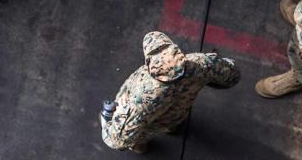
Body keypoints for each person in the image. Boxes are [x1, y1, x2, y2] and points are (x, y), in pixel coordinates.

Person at [100, 31, 239, 152]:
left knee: (137, 140)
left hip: (149, 124)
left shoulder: (143, 98)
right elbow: (231, 75)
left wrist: (107, 121)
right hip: (178, 114)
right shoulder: (200, 63)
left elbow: (118, 141)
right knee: (173, 122)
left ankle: (140, 147)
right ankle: (172, 128)